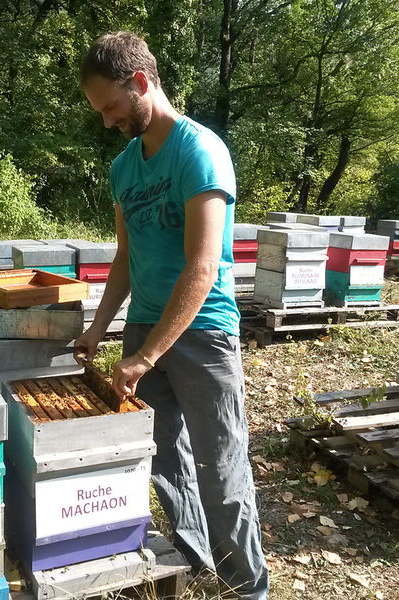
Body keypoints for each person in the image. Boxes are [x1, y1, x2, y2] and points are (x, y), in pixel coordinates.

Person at [74, 31, 269, 599]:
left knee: (221, 465)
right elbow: (126, 258)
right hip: (142, 333)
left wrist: (146, 355)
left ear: (140, 83)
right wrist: (98, 326)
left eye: (110, 107)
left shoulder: (199, 151)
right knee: (162, 460)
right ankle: (196, 555)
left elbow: (203, 267)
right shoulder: (123, 170)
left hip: (202, 333)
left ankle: (246, 587)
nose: (107, 122)